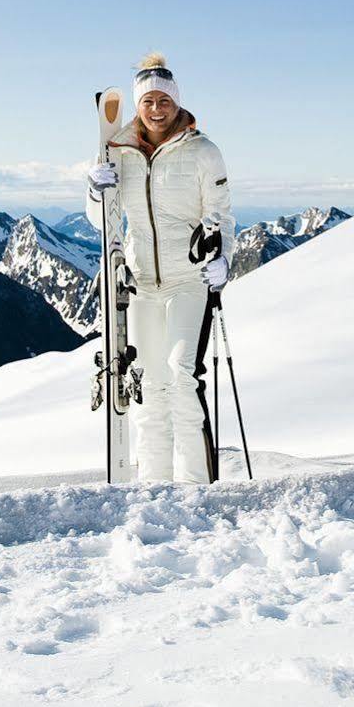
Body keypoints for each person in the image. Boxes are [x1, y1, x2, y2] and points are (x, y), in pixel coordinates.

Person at [85, 53, 235, 484]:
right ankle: (155, 487)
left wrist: (223, 258)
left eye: (163, 100)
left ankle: (197, 488)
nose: (156, 108)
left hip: (188, 280)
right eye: (148, 101)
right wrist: (94, 191)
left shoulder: (204, 151)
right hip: (142, 284)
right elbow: (102, 222)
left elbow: (221, 215)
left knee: (181, 377)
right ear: (138, 106)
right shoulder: (119, 152)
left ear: (176, 102)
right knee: (149, 386)